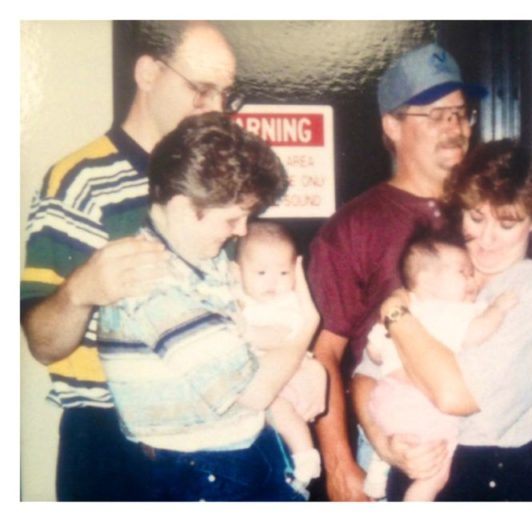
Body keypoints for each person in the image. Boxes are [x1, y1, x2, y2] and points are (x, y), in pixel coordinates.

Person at [307, 42, 532, 500]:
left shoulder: (488, 211)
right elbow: (328, 356)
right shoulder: (354, 226)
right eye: (434, 114)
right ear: (391, 125)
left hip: (482, 450)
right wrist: (341, 458)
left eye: (460, 113)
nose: (453, 126)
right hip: (393, 431)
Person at [20, 21, 239, 500]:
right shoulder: (78, 180)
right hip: (110, 439)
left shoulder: (222, 181)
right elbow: (42, 344)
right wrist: (81, 292)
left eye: (225, 94)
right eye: (202, 90)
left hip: (220, 425)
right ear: (148, 72)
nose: (217, 111)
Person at [96, 112, 318, 501]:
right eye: (233, 218)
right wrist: (306, 327)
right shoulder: (152, 282)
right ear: (183, 207)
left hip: (240, 452)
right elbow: (253, 391)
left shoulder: (204, 260)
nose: (242, 231)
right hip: (200, 472)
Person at [353, 139, 532, 501]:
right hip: (415, 468)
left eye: (507, 224)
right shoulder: (444, 269)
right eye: (476, 217)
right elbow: (365, 377)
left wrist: (395, 311)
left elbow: (453, 395)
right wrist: (387, 446)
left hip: (492, 481)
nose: (486, 239)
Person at [362, 228, 518, 500]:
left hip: (385, 399)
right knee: (437, 469)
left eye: (472, 273)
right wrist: (499, 308)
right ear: (426, 280)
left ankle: (379, 466)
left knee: (404, 445)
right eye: (463, 272)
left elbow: (374, 353)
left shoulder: (405, 311)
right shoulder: (451, 311)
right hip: (420, 403)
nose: (472, 279)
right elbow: (476, 333)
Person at [234, 220, 327, 493]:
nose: (273, 282)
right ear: (237, 272)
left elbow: (279, 337)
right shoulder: (238, 298)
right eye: (261, 272)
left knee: (282, 412)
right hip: (261, 383)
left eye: (284, 272)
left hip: (288, 380)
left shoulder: (287, 304)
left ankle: (306, 457)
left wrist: (246, 332)